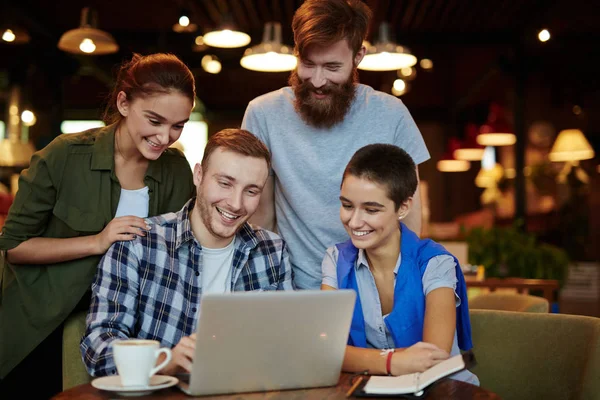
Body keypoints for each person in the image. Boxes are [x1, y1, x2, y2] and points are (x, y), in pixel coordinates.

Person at [0, 53, 196, 397]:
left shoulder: (176, 170)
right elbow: (13, 247)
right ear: (123, 102)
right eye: (155, 120)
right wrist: (97, 241)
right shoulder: (64, 156)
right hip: (42, 322)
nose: (165, 136)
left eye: (178, 125)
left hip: (126, 330)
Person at [242, 0, 430, 290]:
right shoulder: (263, 113)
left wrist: (397, 287)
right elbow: (261, 217)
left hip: (373, 290)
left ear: (358, 56)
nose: (317, 80)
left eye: (332, 67)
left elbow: (411, 215)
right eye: (308, 64)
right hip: (293, 288)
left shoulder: (392, 114)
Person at [81, 129, 294, 377]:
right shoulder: (137, 243)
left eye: (251, 191)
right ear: (198, 176)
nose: (236, 204)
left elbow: (285, 342)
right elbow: (97, 348)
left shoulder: (272, 250)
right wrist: (165, 361)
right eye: (225, 183)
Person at [321, 144, 478, 383]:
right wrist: (393, 361)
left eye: (371, 209)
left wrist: (357, 358)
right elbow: (325, 352)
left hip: (442, 392)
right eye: (347, 205)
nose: (354, 221)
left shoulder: (436, 263)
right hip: (372, 391)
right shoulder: (335, 259)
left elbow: (433, 359)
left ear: (403, 207)